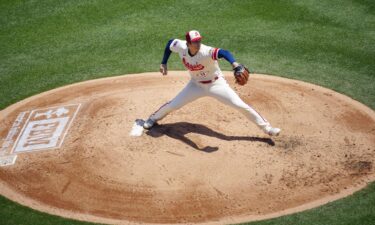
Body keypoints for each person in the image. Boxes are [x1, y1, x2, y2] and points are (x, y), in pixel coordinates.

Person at [143, 30, 281, 136]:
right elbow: (169, 43)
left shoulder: (205, 51)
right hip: (195, 85)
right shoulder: (181, 47)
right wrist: (163, 62)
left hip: (216, 85)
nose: (198, 43)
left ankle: (267, 128)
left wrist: (234, 63)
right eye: (195, 41)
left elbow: (223, 52)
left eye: (199, 40)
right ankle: (152, 119)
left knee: (239, 105)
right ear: (188, 43)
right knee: (174, 104)